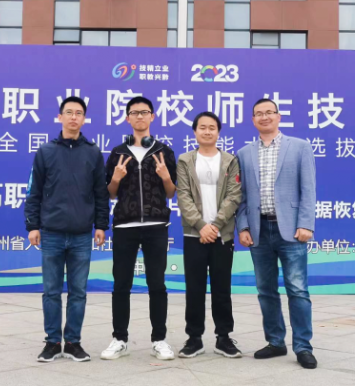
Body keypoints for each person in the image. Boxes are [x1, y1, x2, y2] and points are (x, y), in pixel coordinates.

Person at [24, 96, 109, 363]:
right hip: (51, 233)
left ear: (84, 119)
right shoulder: (46, 151)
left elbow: (101, 193)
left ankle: (73, 342)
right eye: (69, 112)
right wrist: (33, 225)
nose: (74, 117)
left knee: (78, 292)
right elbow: (34, 192)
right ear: (60, 117)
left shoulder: (93, 152)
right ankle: (52, 342)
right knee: (51, 291)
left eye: (79, 113)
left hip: (82, 234)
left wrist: (101, 225)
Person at [236, 98, 318, 369]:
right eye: (259, 114)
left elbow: (308, 189)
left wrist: (306, 224)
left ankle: (303, 347)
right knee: (266, 290)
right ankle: (275, 341)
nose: (264, 117)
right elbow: (240, 196)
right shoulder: (244, 153)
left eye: (269, 112)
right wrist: (243, 227)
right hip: (259, 230)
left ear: (278, 116)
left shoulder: (300, 147)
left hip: (291, 231)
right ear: (253, 120)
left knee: (298, 290)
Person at [101, 96, 178, 361]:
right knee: (121, 284)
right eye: (134, 113)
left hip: (156, 226)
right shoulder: (117, 153)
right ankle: (119, 339)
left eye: (144, 112)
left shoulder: (164, 151)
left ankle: (159, 340)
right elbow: (110, 193)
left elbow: (171, 192)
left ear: (152, 116)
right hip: (125, 226)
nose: (140, 116)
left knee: (157, 284)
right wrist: (115, 178)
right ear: (127, 118)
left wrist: (165, 177)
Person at [176, 112, 243, 359]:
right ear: (195, 132)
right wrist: (201, 226)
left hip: (221, 235)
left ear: (218, 132)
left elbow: (234, 195)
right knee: (194, 288)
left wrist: (214, 226)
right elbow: (183, 196)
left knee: (221, 288)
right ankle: (194, 338)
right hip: (194, 234)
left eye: (212, 127)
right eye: (202, 127)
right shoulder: (185, 160)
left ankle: (223, 338)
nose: (207, 131)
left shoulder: (229, 160)